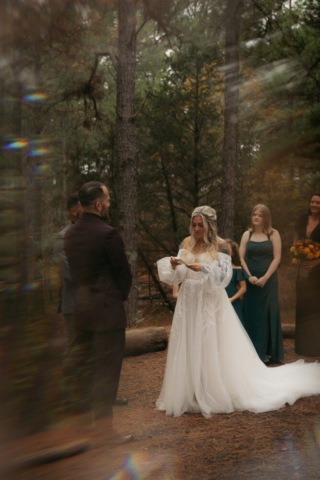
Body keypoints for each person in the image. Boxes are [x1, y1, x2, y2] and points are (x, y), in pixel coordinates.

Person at [156, 205, 320, 418]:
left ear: (210, 225)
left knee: (209, 342)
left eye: (200, 225)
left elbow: (224, 278)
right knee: (190, 340)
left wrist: (204, 268)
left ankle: (212, 389)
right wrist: (175, 264)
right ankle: (191, 390)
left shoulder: (221, 245)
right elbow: (177, 276)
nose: (196, 229)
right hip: (189, 300)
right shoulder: (187, 242)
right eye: (194, 225)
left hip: (210, 301)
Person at [64, 181, 133, 445]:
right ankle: (104, 433)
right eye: (108, 199)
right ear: (98, 204)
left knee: (83, 370)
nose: (109, 203)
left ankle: (83, 429)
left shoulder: (70, 234)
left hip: (81, 313)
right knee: (106, 373)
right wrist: (118, 298)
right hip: (107, 315)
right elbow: (123, 275)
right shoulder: (108, 234)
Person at [239, 205, 283, 365]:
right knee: (252, 314)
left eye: (260, 215)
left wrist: (264, 278)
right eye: (254, 214)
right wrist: (249, 276)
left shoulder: (273, 234)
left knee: (266, 314)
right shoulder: (247, 234)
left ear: (266, 218)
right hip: (250, 281)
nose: (256, 217)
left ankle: (267, 352)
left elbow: (277, 258)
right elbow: (241, 258)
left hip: (268, 280)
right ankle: (252, 353)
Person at [54, 193, 83, 346]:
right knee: (75, 349)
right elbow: (70, 274)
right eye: (84, 207)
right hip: (74, 304)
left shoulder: (95, 234)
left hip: (96, 304)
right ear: (73, 211)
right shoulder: (62, 238)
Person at [295, 192, 320, 356]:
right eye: (313, 201)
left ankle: (316, 347)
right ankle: (302, 347)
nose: (315, 205)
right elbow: (296, 240)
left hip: (318, 271)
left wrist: (316, 262)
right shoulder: (302, 219)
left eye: (318, 202)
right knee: (303, 306)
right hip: (303, 270)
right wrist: (298, 255)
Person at [225, 239, 248, 325]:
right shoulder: (216, 268)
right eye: (223, 249)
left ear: (233, 253)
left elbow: (243, 288)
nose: (225, 251)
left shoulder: (237, 269)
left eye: (228, 249)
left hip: (233, 302)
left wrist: (231, 299)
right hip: (218, 301)